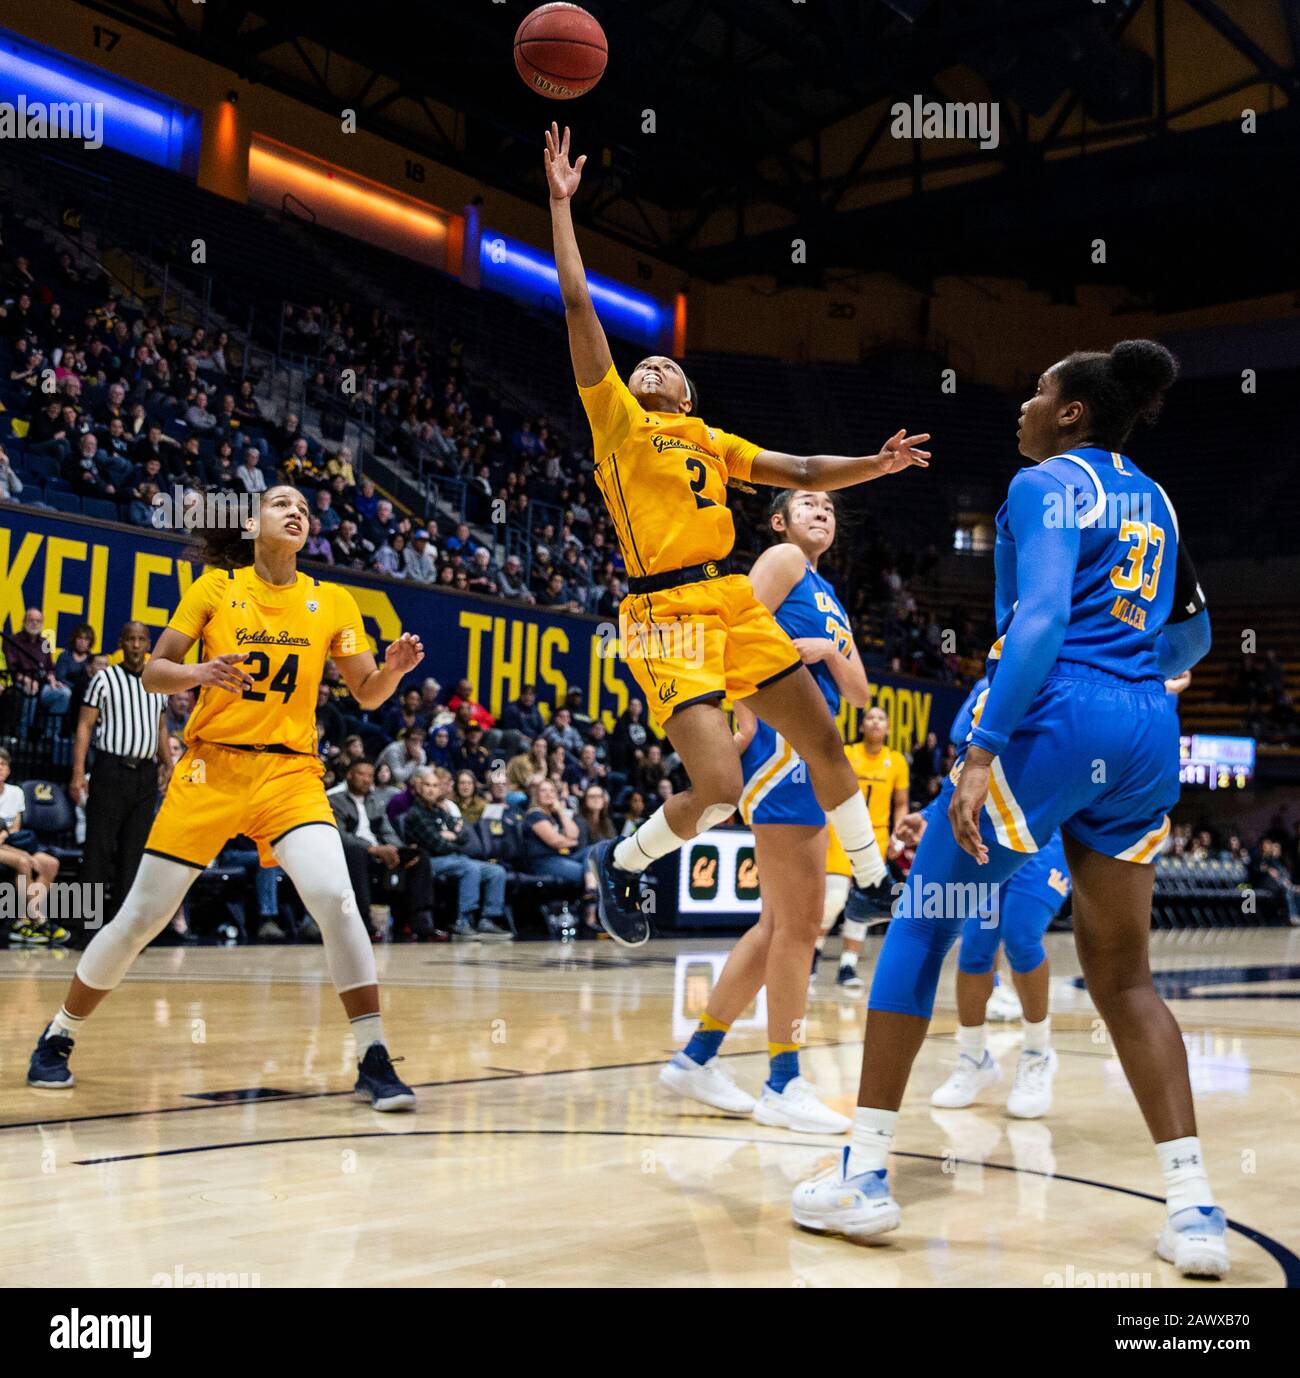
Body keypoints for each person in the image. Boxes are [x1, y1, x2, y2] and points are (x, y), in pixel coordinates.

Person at [790, 340, 1228, 1280]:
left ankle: (864, 1175)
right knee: (1125, 979)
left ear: (1071, 413)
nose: (1022, 406)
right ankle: (1194, 1210)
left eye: (1036, 392)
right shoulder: (1154, 496)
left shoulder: (1042, 486)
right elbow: (1192, 630)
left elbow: (1039, 620)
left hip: (1052, 715)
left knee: (920, 925)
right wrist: (1133, 678)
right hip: (1148, 728)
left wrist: (985, 746)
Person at [544, 123, 928, 946]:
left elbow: (800, 469)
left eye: (666, 368)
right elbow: (577, 299)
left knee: (825, 737)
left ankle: (867, 884)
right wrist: (560, 205)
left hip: (726, 596)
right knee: (717, 788)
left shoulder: (712, 439)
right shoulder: (613, 418)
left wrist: (877, 463)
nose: (649, 367)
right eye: (640, 365)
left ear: (686, 394)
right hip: (662, 614)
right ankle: (623, 862)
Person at [25, 485, 426, 1111]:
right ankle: (57, 1036)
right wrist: (200, 673)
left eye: (305, 508)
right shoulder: (215, 590)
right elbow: (155, 670)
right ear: (251, 522)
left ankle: (373, 1057)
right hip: (210, 770)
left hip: (289, 775)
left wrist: (395, 669)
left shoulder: (334, 601)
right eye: (283, 503)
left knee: (336, 900)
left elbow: (369, 693)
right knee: (139, 920)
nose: (298, 512)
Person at [661, 490, 869, 1132]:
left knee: (779, 924)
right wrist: (744, 718)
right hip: (784, 753)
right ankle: (783, 1081)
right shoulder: (782, 559)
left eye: (831, 509)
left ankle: (696, 1060)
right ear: (778, 522)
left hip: (813, 749)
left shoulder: (827, 593)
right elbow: (729, 634)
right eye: (808, 503)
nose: (823, 512)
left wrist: (826, 652)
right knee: (802, 928)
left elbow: (859, 691)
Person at [889, 678, 1069, 1118]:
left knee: (1021, 934)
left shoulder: (1065, 676)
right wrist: (931, 814)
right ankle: (973, 1058)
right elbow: (965, 768)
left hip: (1042, 837)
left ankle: (1037, 1053)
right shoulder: (987, 684)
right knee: (974, 950)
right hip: (985, 836)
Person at [69, 621, 171, 928]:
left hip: (145, 773)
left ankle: (122, 931)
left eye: (142, 639)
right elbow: (85, 725)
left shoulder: (158, 682)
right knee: (97, 849)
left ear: (148, 643)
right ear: (121, 643)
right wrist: (77, 773)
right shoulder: (105, 679)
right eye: (131, 639)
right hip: (111, 769)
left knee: (134, 854)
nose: (136, 645)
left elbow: (161, 725)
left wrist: (168, 761)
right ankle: (85, 926)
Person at [817, 704, 912, 996]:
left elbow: (900, 803)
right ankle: (813, 953)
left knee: (862, 902)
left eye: (881, 718)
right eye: (869, 717)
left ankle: (847, 965)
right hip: (840, 833)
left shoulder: (896, 761)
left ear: (888, 728)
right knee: (833, 899)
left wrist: (900, 833)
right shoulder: (848, 754)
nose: (874, 722)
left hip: (877, 838)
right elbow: (826, 789)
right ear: (861, 726)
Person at [331, 757, 436, 942]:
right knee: (357, 853)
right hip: (355, 857)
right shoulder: (335, 801)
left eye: (370, 775)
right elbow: (340, 836)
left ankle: (420, 921)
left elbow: (387, 831)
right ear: (349, 775)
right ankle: (364, 922)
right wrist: (372, 849)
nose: (367, 779)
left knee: (419, 856)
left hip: (381, 855)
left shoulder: (375, 801)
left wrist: (400, 851)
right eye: (361, 774)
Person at [401, 768, 510, 940]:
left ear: (439, 789)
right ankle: (463, 922)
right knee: (469, 867)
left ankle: (487, 919)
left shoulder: (439, 811)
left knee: (496, 871)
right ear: (419, 788)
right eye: (427, 785)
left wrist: (452, 837)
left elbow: (464, 834)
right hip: (431, 861)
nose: (431, 789)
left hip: (454, 858)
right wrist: (453, 839)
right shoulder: (415, 814)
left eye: (435, 785)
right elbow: (437, 845)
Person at [0, 747, 69, 945]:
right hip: (6, 847)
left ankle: (27, 921)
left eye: (4, 765)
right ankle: (36, 919)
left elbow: (15, 828)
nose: (0, 769)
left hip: (10, 844)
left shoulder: (16, 793)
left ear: (10, 770)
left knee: (50, 864)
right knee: (24, 862)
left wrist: (6, 836)